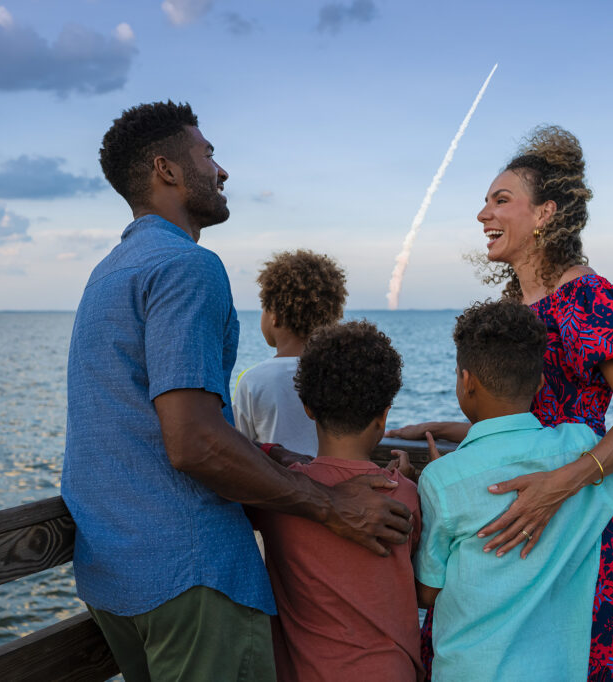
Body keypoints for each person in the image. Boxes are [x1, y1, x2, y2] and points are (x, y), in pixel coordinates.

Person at [61, 101, 412, 682]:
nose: (222, 171)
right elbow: (192, 441)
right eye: (208, 153)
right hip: (191, 572)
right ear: (165, 170)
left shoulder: (109, 272)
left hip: (115, 578)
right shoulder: (188, 267)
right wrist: (328, 504)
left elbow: (144, 426)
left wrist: (288, 464)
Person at [388, 126, 613, 680]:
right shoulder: (512, 304)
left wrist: (557, 485)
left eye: (500, 200)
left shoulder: (591, 299)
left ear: (544, 214)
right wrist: (460, 429)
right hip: (510, 537)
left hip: (581, 536)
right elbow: (534, 415)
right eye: (485, 202)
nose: (482, 215)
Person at [414, 300, 613, 681]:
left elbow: (428, 593)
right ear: (540, 383)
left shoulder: (442, 479)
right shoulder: (579, 449)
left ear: (466, 380)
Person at [250, 320, 424, 682]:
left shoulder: (282, 495)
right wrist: (401, 480)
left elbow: (238, 461)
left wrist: (273, 452)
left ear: (308, 407)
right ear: (384, 414)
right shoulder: (403, 494)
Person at [233, 249, 348, 456]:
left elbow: (242, 449)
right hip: (334, 484)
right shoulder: (341, 375)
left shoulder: (253, 381)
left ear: (275, 315)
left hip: (274, 486)